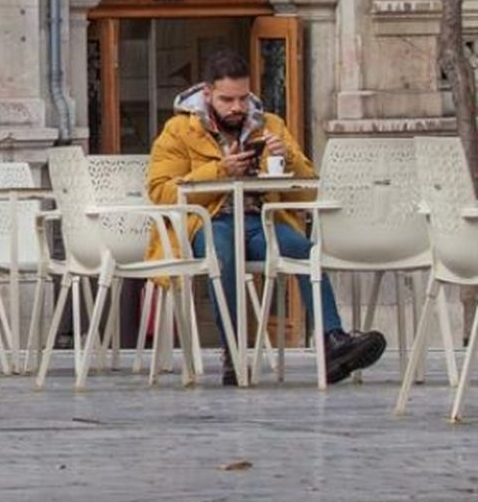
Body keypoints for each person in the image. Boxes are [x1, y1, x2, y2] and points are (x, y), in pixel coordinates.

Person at [146, 48, 385, 385]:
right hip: (207, 220)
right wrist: (219, 171)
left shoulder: (270, 124)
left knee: (305, 250)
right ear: (207, 94)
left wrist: (286, 158)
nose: (237, 108)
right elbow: (161, 191)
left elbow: (307, 191)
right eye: (227, 99)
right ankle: (233, 348)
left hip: (261, 221)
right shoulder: (179, 130)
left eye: (243, 98)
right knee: (223, 255)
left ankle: (333, 342)